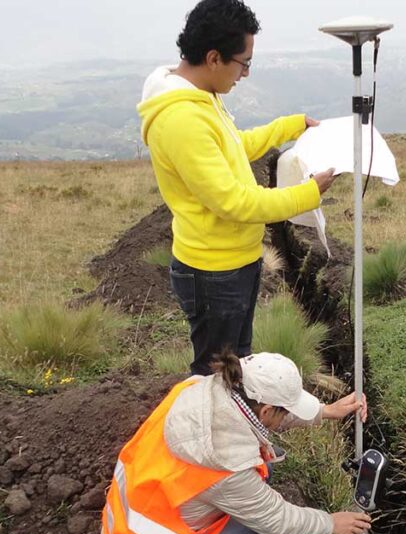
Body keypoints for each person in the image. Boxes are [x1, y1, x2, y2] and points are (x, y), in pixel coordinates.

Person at [137, 0, 337, 375]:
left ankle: (233, 429)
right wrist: (308, 194)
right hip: (215, 273)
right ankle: (211, 431)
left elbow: (234, 147)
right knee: (218, 374)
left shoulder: (201, 99)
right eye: (243, 63)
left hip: (232, 263)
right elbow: (233, 202)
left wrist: (287, 127)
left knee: (234, 365)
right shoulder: (182, 118)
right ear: (214, 58)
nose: (244, 74)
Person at [100, 351, 372, 534]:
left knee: (266, 462)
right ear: (266, 409)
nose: (286, 417)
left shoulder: (202, 388)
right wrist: (329, 523)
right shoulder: (224, 462)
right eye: (286, 411)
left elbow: (266, 417)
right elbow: (278, 520)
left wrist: (325, 412)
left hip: (127, 523)